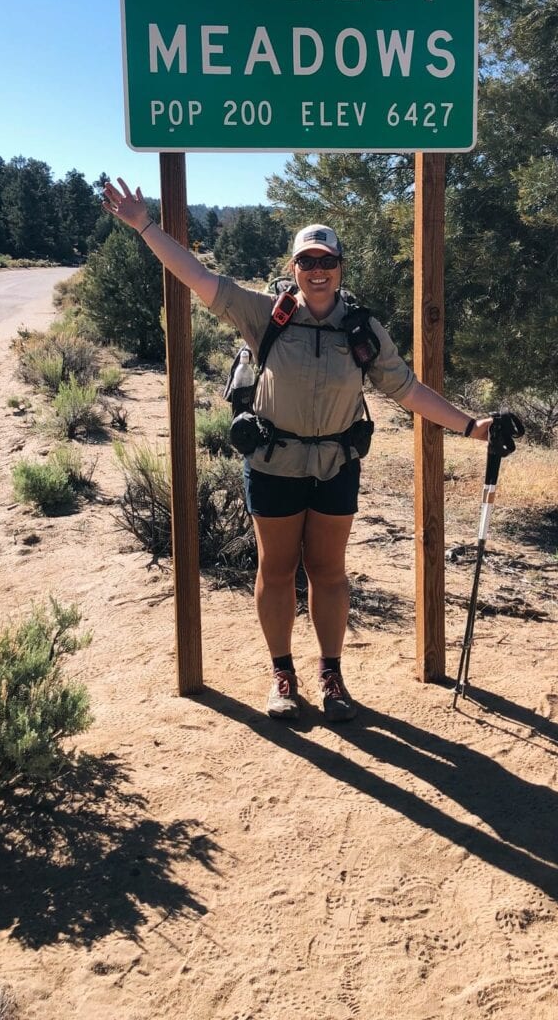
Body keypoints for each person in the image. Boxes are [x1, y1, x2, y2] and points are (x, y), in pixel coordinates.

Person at [101, 178, 492, 723]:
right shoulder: (264, 314)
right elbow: (195, 275)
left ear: (340, 269)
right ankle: (282, 673)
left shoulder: (362, 330)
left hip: (334, 465)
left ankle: (331, 675)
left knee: (330, 571)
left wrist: (471, 426)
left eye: (326, 260)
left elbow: (406, 390)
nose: (317, 270)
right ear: (293, 268)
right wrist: (145, 225)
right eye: (307, 260)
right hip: (274, 463)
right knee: (277, 569)